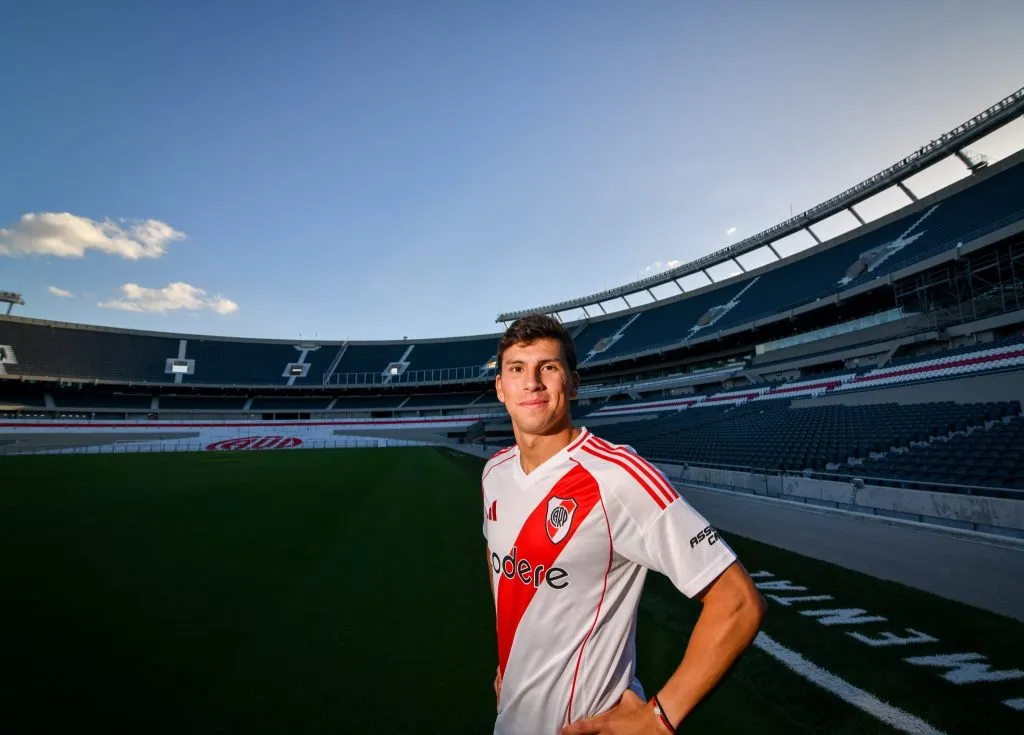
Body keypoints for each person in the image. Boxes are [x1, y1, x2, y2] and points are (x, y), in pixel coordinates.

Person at [482, 314, 765, 735]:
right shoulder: (495, 472)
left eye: (549, 368)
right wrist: (512, 659)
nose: (532, 382)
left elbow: (738, 601)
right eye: (517, 370)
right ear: (501, 388)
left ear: (573, 383)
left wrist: (659, 719)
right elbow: (500, 561)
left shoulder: (618, 474)